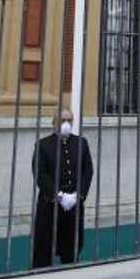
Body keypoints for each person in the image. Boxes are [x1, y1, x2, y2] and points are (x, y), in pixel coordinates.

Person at [31, 107, 94, 268]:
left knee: (72, 247)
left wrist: (78, 195)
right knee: (44, 246)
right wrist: (58, 196)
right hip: (50, 204)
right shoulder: (43, 145)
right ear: (54, 123)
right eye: (62, 120)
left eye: (69, 120)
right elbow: (40, 173)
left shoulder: (81, 143)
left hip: (74, 203)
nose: (66, 124)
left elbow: (87, 171)